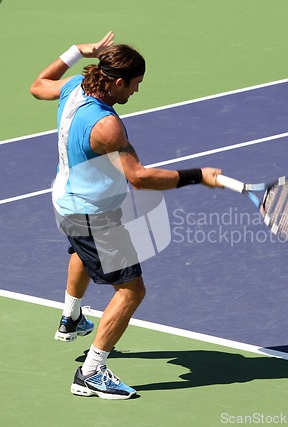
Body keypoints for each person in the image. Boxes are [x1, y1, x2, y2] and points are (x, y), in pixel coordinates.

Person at [30, 31, 223, 400]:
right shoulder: (108, 125)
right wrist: (198, 176)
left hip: (65, 202)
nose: (136, 91)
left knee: (81, 254)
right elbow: (140, 178)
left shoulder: (74, 86)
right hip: (94, 216)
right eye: (135, 85)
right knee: (132, 291)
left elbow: (38, 86)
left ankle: (71, 317)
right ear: (118, 82)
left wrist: (76, 51)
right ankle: (92, 372)